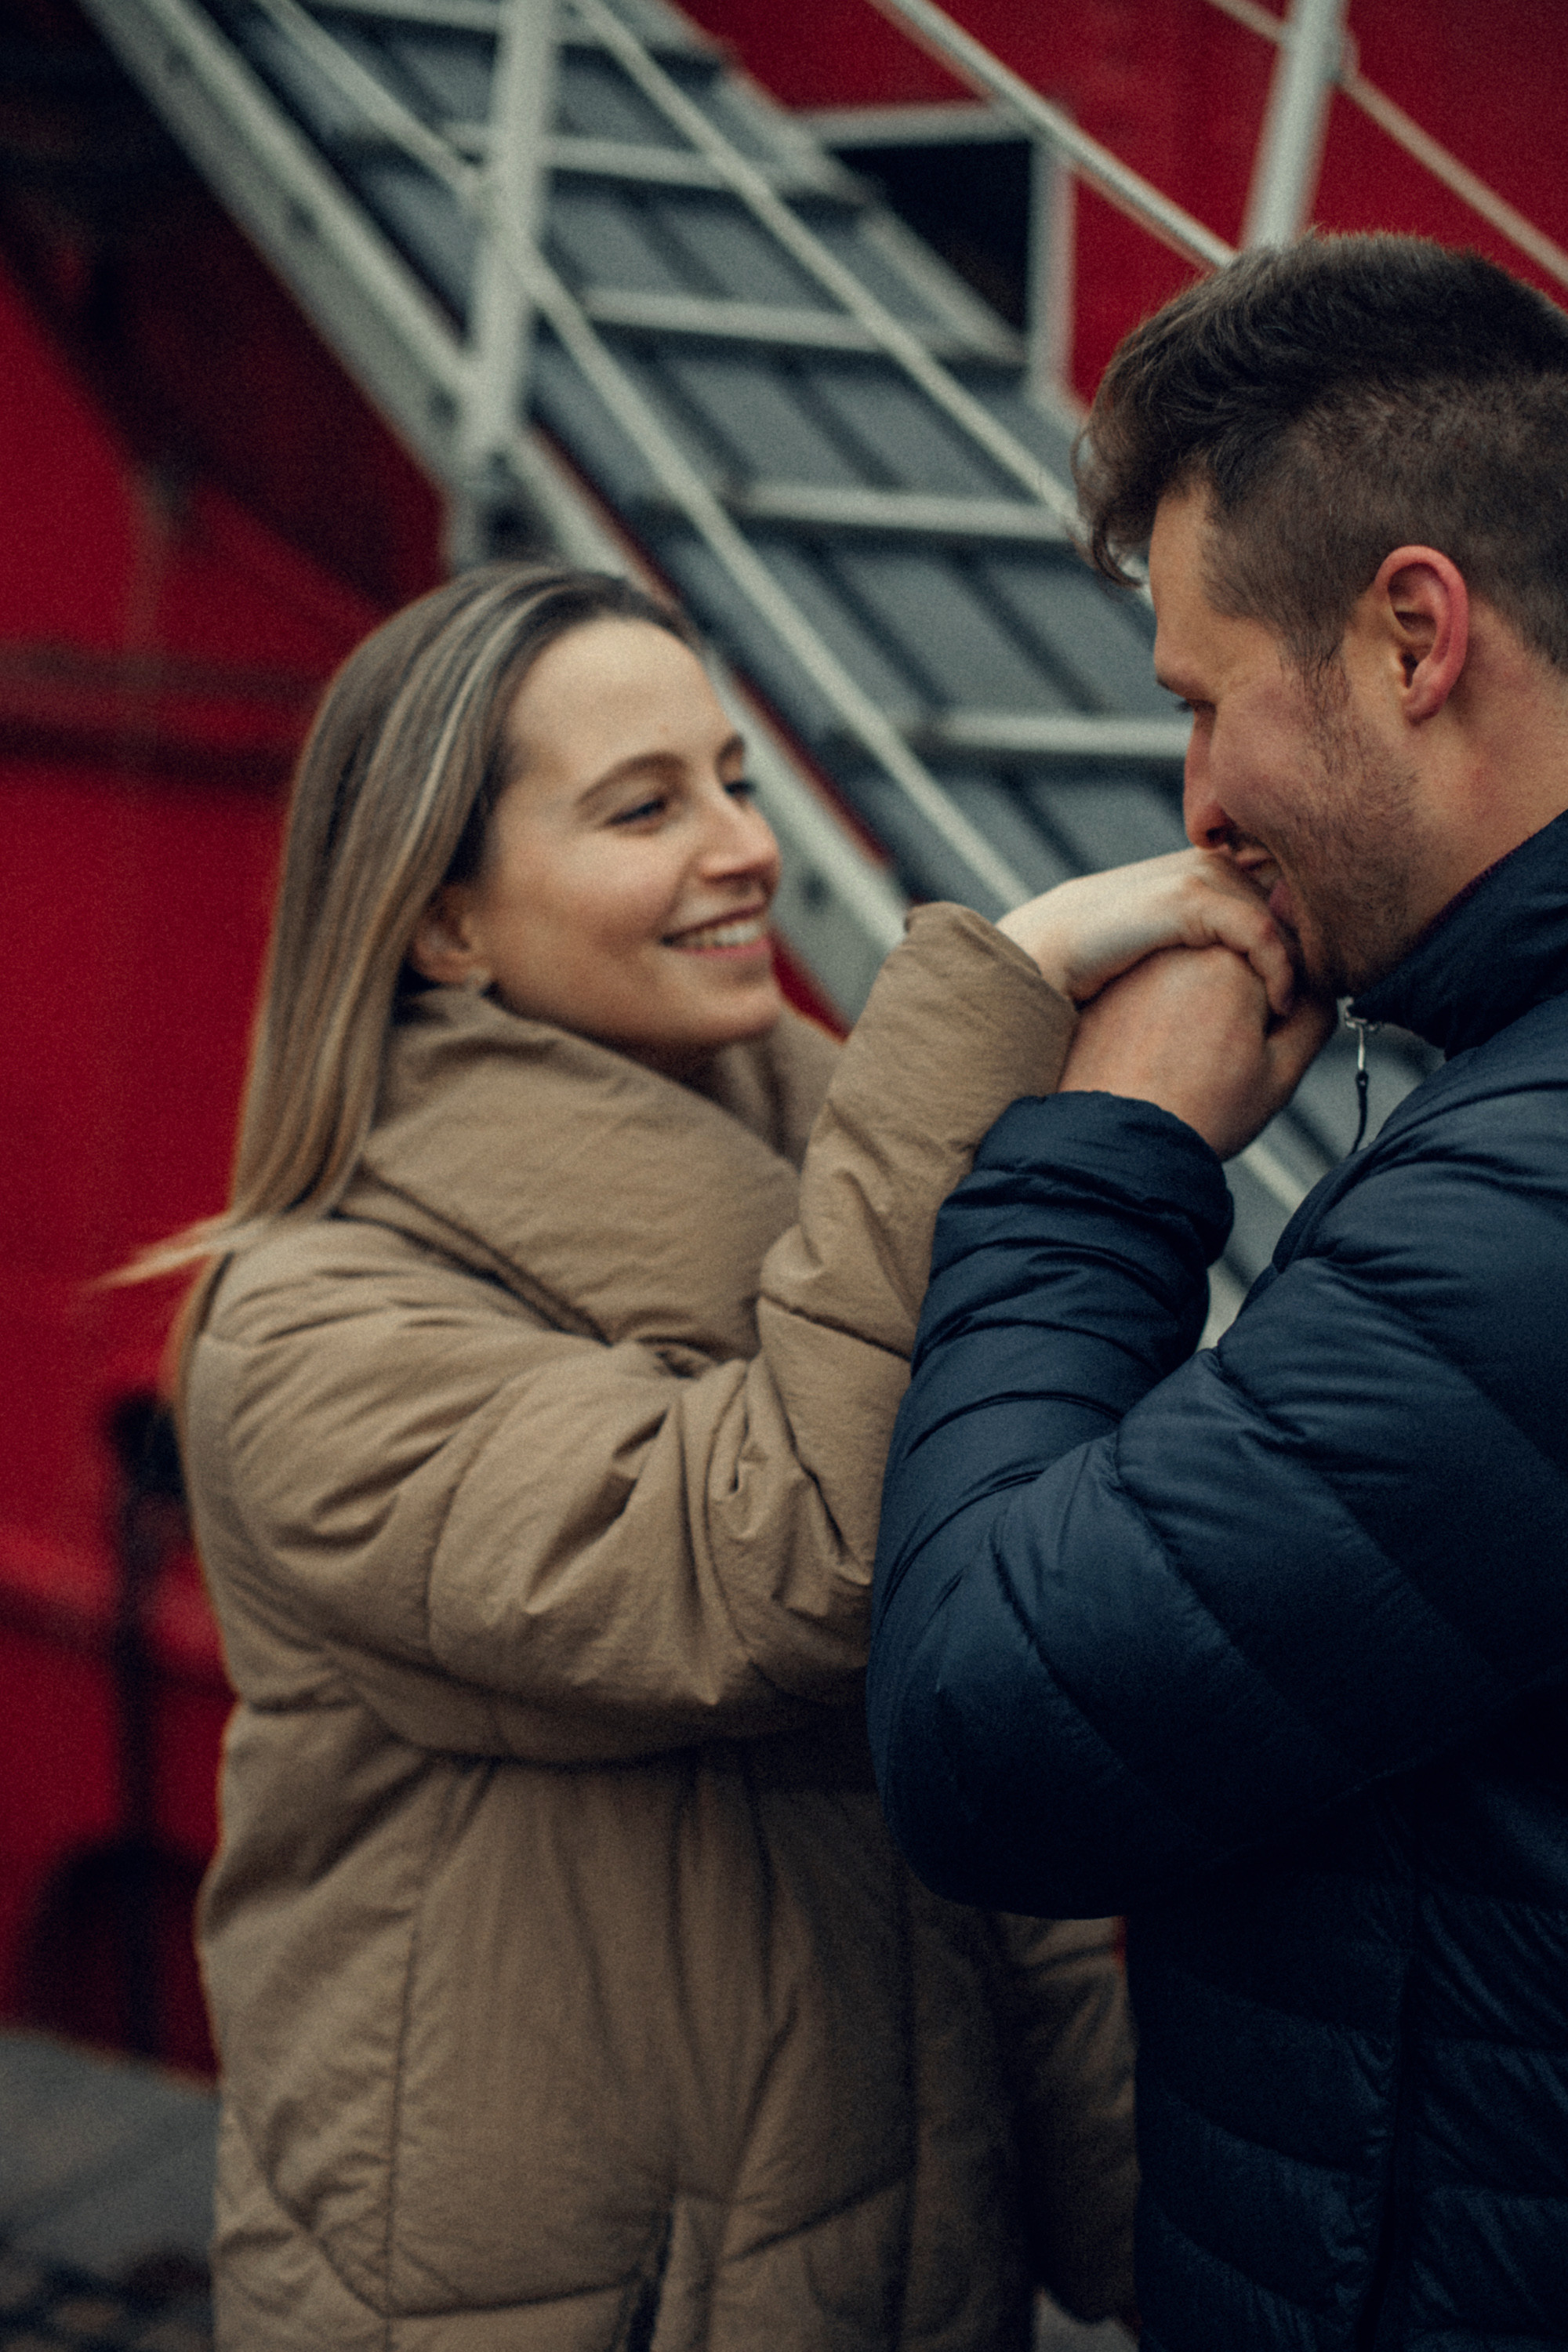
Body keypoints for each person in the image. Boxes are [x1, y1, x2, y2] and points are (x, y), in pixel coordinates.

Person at [152, 561, 1291, 2349]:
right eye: (643, 805)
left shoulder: (846, 1201)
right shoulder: (308, 1333)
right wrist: (1010, 997)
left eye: (736, 778)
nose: (744, 845)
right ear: (444, 929)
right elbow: (769, 1565)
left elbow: (992, 1813)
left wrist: (1144, 2248)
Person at [868, 232, 1568, 2352]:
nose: (1194, 807)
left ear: (1412, 634)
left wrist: (1116, 1152)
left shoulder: (1530, 1204)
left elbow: (995, 1728)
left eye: (1200, 701)